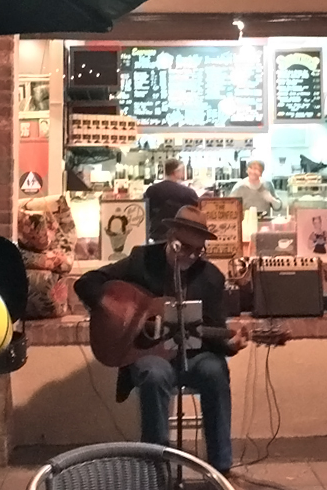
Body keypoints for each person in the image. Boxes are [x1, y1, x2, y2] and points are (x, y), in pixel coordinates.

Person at [74, 206, 248, 474]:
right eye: (185, 247)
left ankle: (220, 470)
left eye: (197, 250)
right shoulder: (142, 259)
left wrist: (229, 344)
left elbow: (214, 331)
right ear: (171, 236)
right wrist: (119, 311)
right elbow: (87, 282)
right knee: (153, 374)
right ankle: (155, 471)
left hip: (195, 357)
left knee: (214, 370)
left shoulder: (211, 276)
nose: (191, 256)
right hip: (150, 356)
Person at [144, 158, 199, 242]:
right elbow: (196, 212)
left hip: (157, 233)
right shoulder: (187, 192)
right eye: (181, 170)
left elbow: (145, 211)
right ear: (175, 172)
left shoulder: (151, 190)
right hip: (180, 235)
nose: (183, 173)